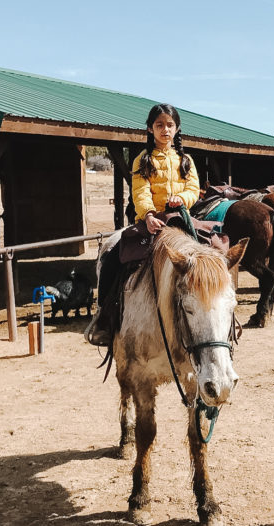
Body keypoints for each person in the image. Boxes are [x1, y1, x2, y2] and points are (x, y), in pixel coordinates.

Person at [85, 103, 201, 347]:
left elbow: (193, 189)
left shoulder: (186, 160)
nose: (165, 130)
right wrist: (148, 214)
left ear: (177, 128)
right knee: (113, 257)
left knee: (216, 252)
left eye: (170, 125)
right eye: (159, 125)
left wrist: (183, 199)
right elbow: (140, 191)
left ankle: (224, 320)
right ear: (150, 129)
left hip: (181, 219)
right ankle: (104, 317)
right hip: (152, 221)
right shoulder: (142, 160)